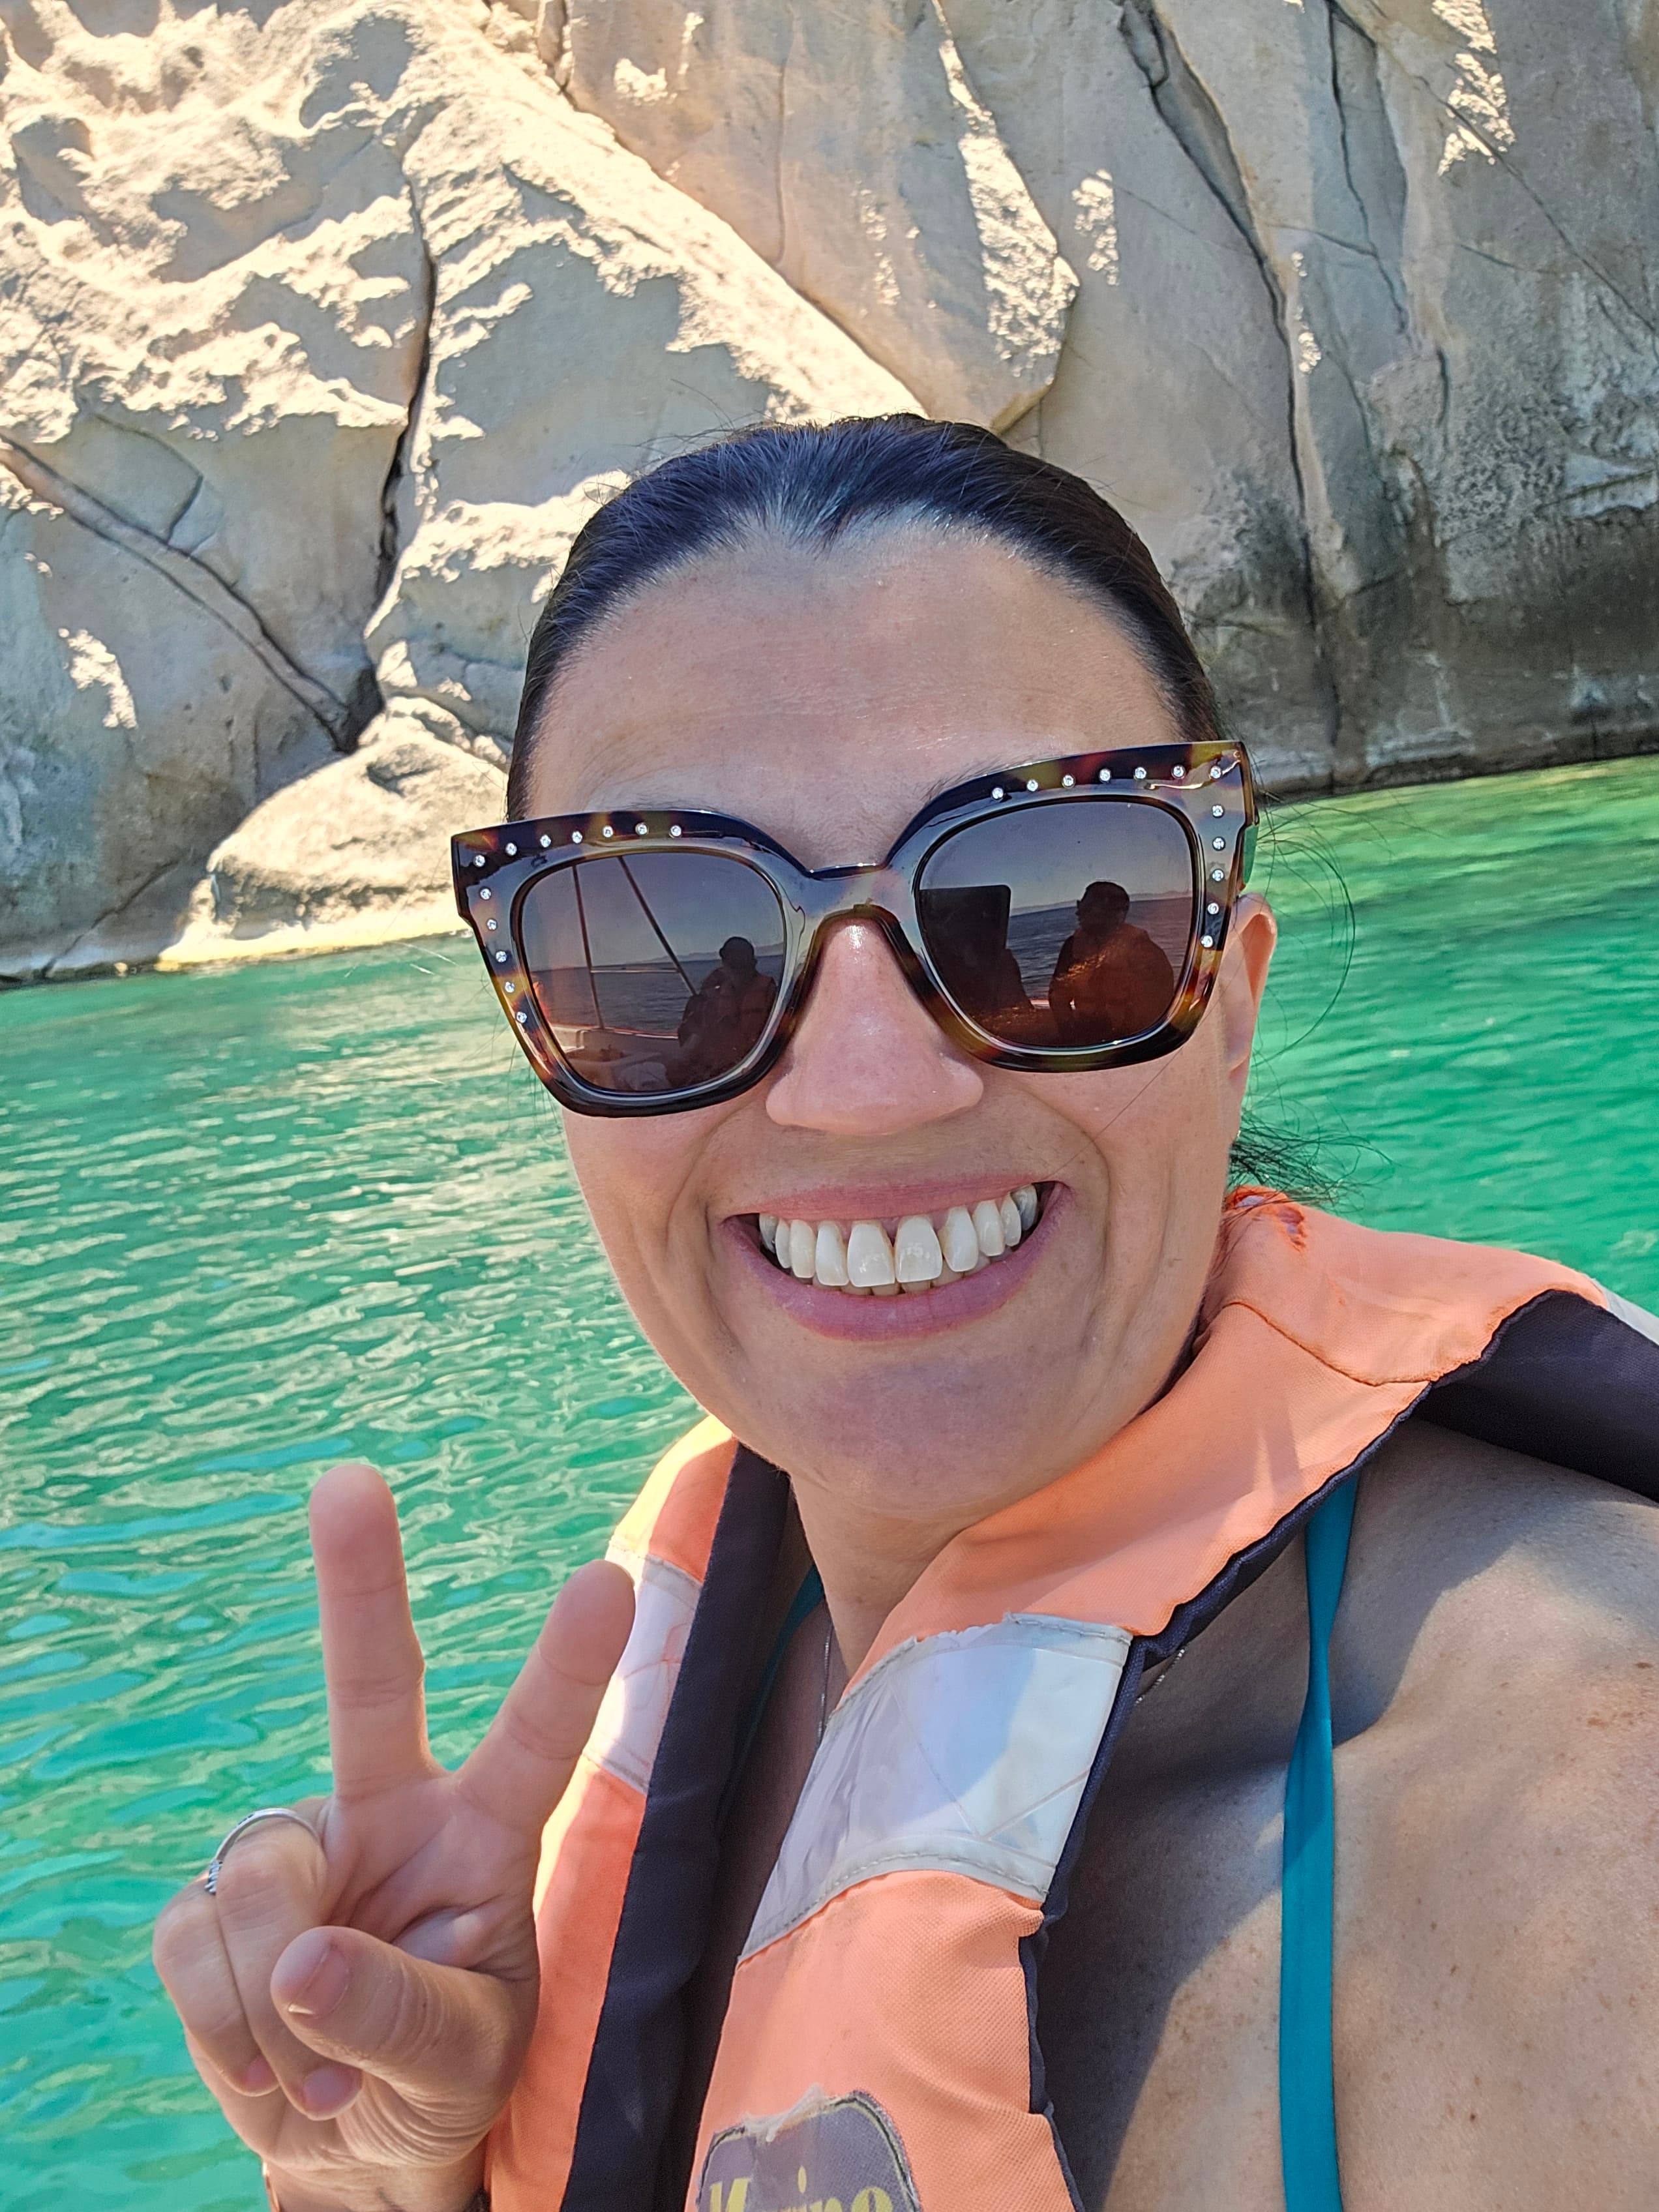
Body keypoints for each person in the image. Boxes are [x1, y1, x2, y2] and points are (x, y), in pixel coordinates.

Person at [153, 417, 1659, 2212]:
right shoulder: (633, 1756)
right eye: (666, 949)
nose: (867, 1087)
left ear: (1228, 1000)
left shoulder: (1582, 1845)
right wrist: (393, 2180)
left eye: (1043, 909)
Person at [1047, 878, 1176, 1045]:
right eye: (1080, 905)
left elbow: (1154, 1009)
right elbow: (1058, 996)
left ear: (1116, 914)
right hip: (1084, 1037)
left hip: (1133, 1042)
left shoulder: (1147, 953)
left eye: (1087, 907)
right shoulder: (1072, 947)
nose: (1078, 913)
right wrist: (1071, 1034)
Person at [674, 935, 779, 1088]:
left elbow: (692, 1044)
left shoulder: (770, 995)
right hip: (726, 1076)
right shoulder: (712, 1000)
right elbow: (693, 1043)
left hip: (746, 1077)